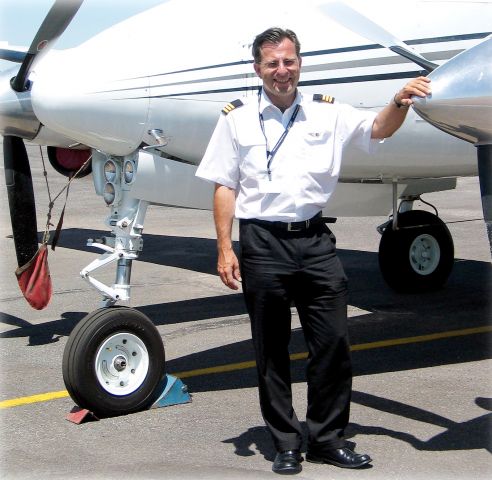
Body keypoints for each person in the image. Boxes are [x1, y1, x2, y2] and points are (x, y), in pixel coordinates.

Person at [196, 27, 431, 475]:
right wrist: (226, 248)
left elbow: (378, 128)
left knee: (333, 344)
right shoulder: (236, 117)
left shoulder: (329, 113)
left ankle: (326, 438)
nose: (281, 71)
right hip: (262, 243)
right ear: (257, 69)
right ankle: (286, 442)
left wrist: (399, 100)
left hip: (315, 241)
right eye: (272, 64)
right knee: (272, 349)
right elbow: (225, 185)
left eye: (288, 61)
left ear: (300, 63)